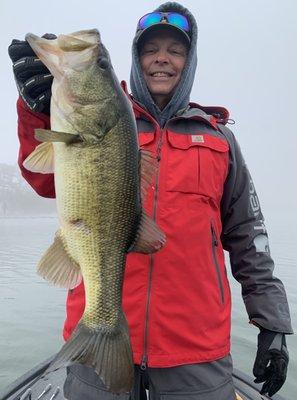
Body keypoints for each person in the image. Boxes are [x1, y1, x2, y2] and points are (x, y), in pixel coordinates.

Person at [8, 2, 293, 399]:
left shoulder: (219, 140)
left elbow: (248, 235)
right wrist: (35, 111)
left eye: (175, 51)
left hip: (195, 350)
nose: (162, 59)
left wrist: (273, 323)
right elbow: (43, 180)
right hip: (94, 343)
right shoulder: (101, 118)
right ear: (135, 58)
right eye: (150, 49)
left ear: (189, 61)